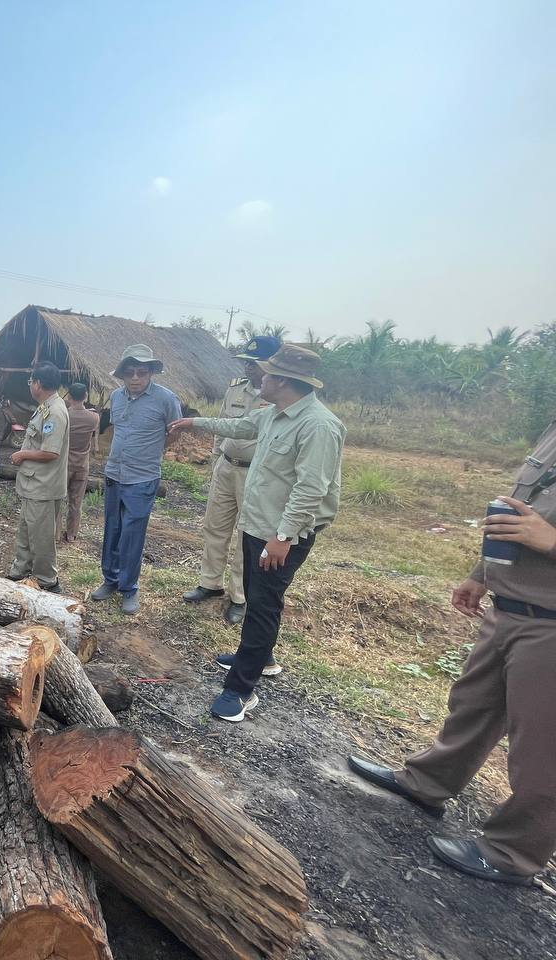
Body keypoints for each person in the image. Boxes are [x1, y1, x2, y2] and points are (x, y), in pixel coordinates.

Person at [346, 418, 556, 886]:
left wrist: (552, 540)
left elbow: (543, 531)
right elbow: (521, 512)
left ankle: (512, 852)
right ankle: (427, 783)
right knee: (472, 706)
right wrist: (481, 574)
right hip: (509, 606)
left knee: (542, 748)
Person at [169, 344, 343, 723]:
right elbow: (238, 427)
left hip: (280, 535)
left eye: (266, 373)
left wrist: (284, 537)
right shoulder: (274, 414)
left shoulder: (318, 426)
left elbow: (311, 488)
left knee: (264, 604)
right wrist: (194, 423)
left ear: (283, 380)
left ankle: (240, 689)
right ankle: (261, 658)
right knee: (257, 596)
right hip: (258, 524)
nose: (258, 378)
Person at [182, 335, 281, 626]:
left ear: (272, 364)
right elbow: (223, 426)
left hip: (255, 474)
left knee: (245, 536)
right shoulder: (236, 390)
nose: (248, 367)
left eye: (254, 362)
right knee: (215, 527)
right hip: (226, 467)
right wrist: (216, 460)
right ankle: (210, 582)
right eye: (246, 362)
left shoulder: (279, 398)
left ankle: (239, 596)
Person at [91, 345, 182, 614]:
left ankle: (129, 588)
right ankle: (110, 579)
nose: (135, 378)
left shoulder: (166, 399)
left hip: (142, 477)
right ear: (122, 374)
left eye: (141, 372)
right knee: (112, 528)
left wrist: (153, 450)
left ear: (151, 372)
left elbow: (175, 432)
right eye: (129, 372)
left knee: (132, 534)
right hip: (114, 474)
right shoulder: (116, 397)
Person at [6, 363, 70, 592]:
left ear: (38, 384)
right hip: (34, 484)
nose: (30, 385)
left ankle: (46, 579)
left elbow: (51, 452)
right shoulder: (46, 407)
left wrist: (22, 454)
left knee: (41, 536)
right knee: (26, 530)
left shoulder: (55, 411)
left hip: (43, 486)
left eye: (31, 381)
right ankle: (20, 571)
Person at [60, 382, 100, 542]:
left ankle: (55, 534)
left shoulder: (64, 415)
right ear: (86, 396)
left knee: (57, 500)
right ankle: (71, 535)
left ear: (69, 396)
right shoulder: (94, 418)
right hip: (82, 466)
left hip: (64, 465)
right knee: (76, 502)